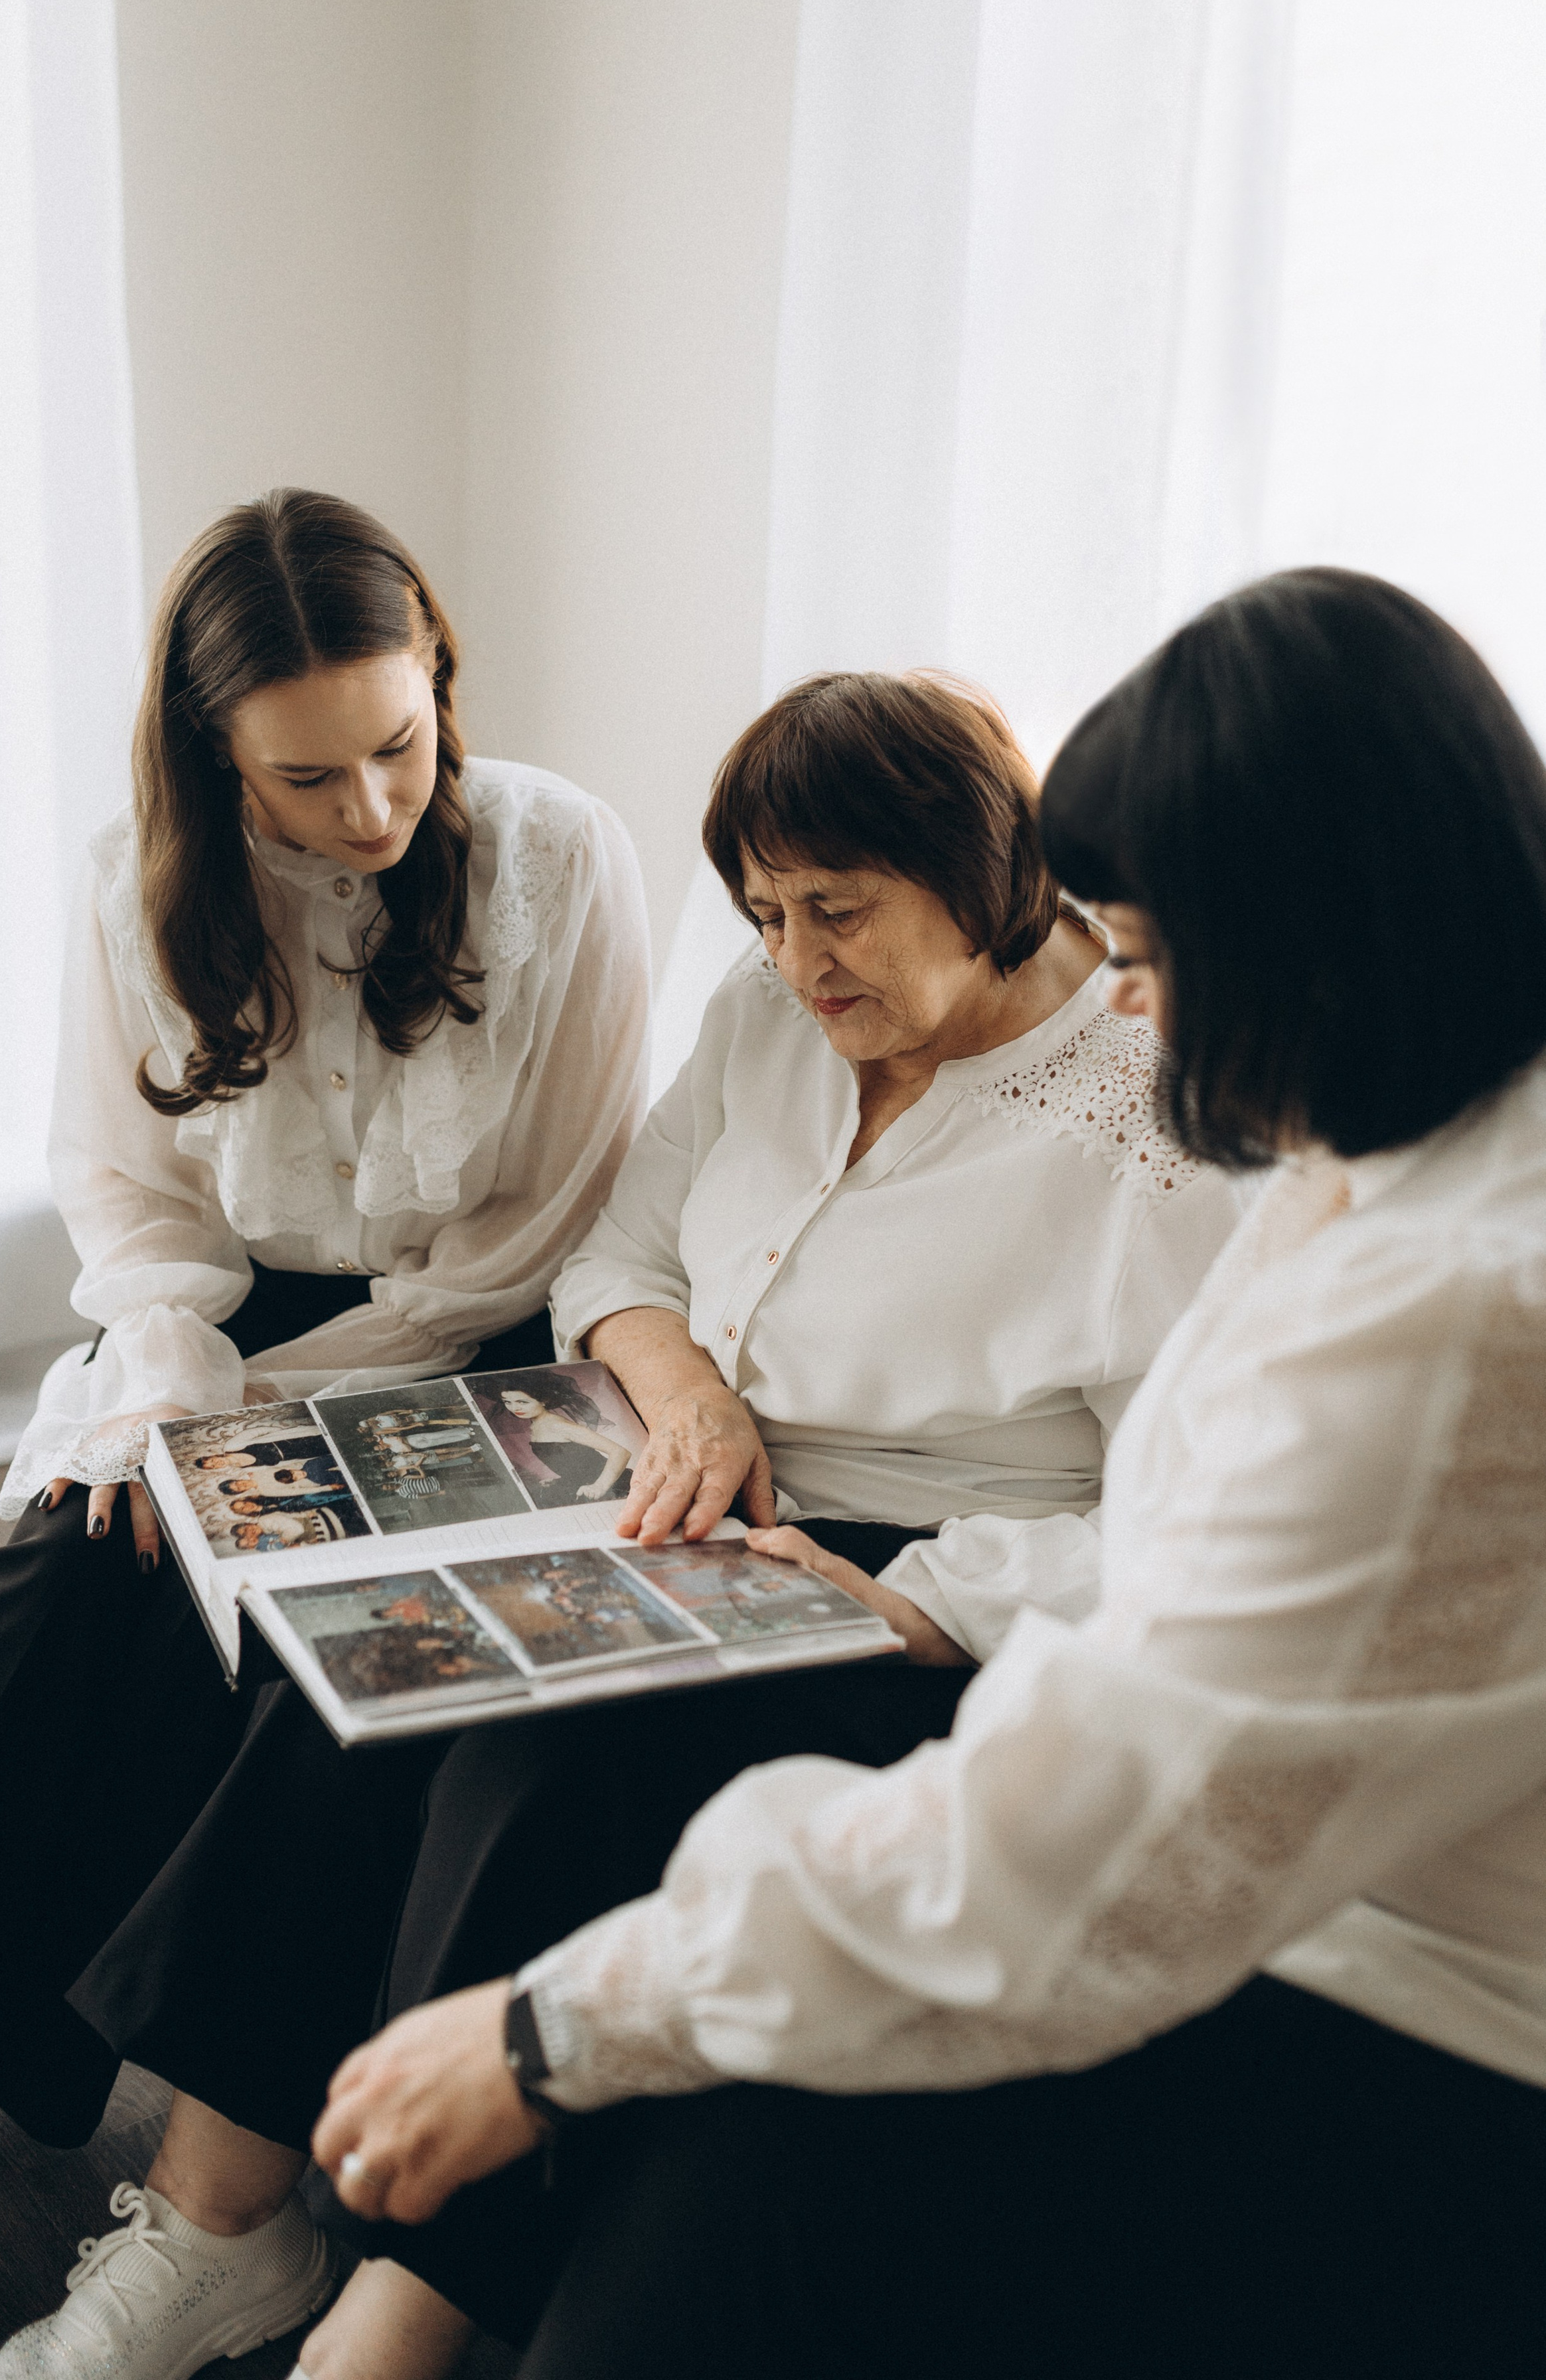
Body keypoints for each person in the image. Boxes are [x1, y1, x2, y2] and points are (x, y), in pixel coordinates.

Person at [304, 569, 1546, 2380]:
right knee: (713, 2068)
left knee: (753, 2171)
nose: (1135, 1015)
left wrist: (549, 2028)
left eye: (1149, 956)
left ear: (1319, 936)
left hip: (1426, 2040)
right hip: (1280, 1888)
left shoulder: (1451, 1312)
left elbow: (1086, 1852)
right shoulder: (1397, 1147)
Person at [0, 670, 1239, 2380]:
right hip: (676, 1474)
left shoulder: (1153, 1117)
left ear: (987, 865)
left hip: (923, 1590)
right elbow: (618, 1256)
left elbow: (1187, 1510)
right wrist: (683, 1383)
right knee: (360, 1671)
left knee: (540, 1769)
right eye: (769, 913)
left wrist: (920, 1602)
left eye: (840, 913)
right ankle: (219, 2222)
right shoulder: (776, 1004)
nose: (800, 962)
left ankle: (396, 2312)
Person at [0, 488, 651, 2323]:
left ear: (441, 678)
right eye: (305, 780)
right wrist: (177, 1383)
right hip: (217, 1328)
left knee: (255, 1635)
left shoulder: (562, 857)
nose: (368, 810)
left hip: (489, 1334)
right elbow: (125, 1196)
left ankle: (190, 2176)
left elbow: (537, 1226)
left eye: (398, 744)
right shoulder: (132, 879)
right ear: (216, 759)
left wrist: (261, 1410)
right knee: (35, 1616)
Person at [484, 1371, 635, 1503]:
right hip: (582, 1487)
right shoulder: (535, 1425)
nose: (515, 1408)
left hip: (616, 1486)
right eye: (507, 1402)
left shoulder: (558, 1425)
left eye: (522, 1402)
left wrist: (599, 1486)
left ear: (544, 1401)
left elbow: (620, 1452)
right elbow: (576, 1464)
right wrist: (562, 1481)